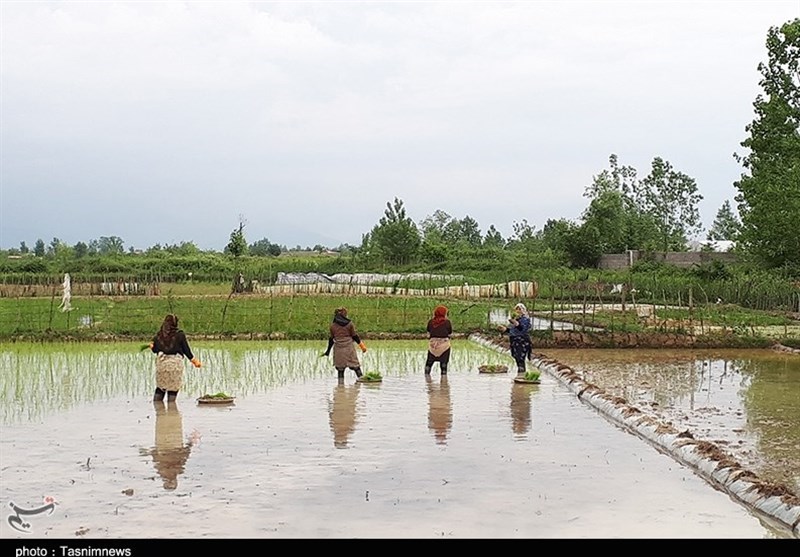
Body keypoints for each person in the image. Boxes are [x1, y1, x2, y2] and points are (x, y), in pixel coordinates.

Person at [150, 314, 201, 402]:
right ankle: (172, 412)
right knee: (173, 389)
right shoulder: (180, 335)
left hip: (162, 366)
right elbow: (186, 350)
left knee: (160, 388)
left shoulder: (158, 336)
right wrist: (195, 361)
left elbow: (155, 350)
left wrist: (152, 347)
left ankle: (158, 411)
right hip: (175, 365)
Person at [322, 307, 366, 379]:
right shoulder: (350, 324)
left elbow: (331, 339)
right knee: (356, 367)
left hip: (338, 349)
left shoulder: (333, 326)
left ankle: (340, 387)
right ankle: (362, 381)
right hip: (349, 348)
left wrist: (328, 351)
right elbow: (354, 336)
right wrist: (362, 346)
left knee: (340, 369)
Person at [499, 302, 532, 376]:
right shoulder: (515, 319)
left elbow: (522, 329)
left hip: (522, 341)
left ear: (523, 310)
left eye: (520, 309)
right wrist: (505, 329)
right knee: (516, 357)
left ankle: (521, 375)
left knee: (520, 358)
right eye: (517, 310)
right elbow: (512, 330)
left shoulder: (525, 319)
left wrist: (516, 323)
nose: (518, 311)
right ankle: (520, 375)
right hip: (514, 341)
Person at [425, 304, 452, 375]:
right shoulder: (447, 322)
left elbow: (428, 332)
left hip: (433, 346)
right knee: (444, 365)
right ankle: (443, 380)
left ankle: (427, 378)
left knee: (429, 363)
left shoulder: (431, 322)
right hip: (444, 347)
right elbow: (449, 333)